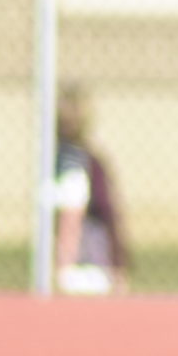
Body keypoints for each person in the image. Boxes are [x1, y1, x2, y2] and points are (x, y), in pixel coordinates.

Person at [52, 85, 128, 294]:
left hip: (87, 258)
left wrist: (118, 265)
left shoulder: (82, 164)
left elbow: (76, 218)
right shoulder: (56, 159)